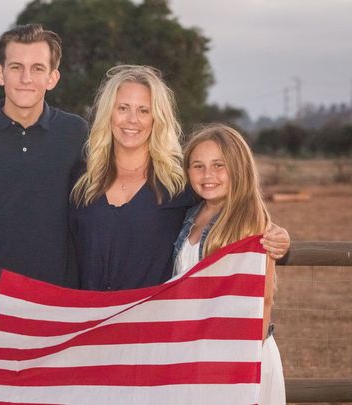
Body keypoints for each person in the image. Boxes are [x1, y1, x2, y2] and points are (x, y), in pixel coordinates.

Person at [70, 65, 289, 290]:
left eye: (144, 110)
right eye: (123, 108)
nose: (132, 119)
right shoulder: (82, 181)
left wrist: (276, 234)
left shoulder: (179, 183)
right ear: (108, 113)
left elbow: (235, 205)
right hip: (90, 310)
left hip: (154, 312)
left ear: (157, 118)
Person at [0, 24, 88, 286]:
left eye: (37, 68)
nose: (26, 78)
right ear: (0, 73)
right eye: (16, 67)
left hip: (58, 293)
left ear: (52, 77)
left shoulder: (76, 132)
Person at [172, 123, 285, 404]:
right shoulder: (189, 215)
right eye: (198, 166)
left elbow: (262, 301)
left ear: (238, 167)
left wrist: (235, 363)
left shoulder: (249, 223)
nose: (207, 175)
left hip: (237, 355)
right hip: (196, 350)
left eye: (218, 165)